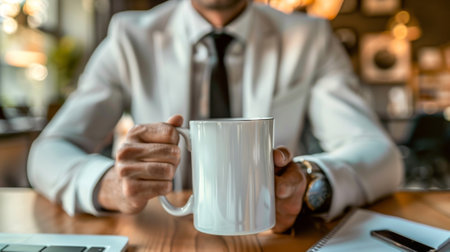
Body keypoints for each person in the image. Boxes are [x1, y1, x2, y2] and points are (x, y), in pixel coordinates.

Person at [28, 0, 403, 233]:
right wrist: (107, 183)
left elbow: (378, 154)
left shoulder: (310, 37)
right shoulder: (130, 36)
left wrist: (310, 184)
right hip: (162, 235)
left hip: (268, 239)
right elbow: (49, 150)